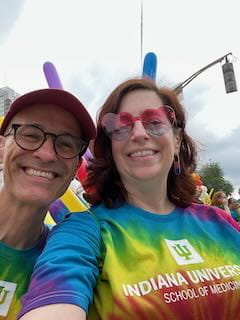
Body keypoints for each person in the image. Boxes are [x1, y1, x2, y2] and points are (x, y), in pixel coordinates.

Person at [19, 78, 240, 320]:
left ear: (177, 140)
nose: (139, 133)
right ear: (111, 148)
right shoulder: (83, 233)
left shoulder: (220, 223)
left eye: (154, 121)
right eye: (121, 126)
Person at [0, 87, 97, 319]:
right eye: (31, 134)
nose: (46, 154)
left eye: (66, 143)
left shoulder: (68, 260)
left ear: (75, 167)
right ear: (2, 147)